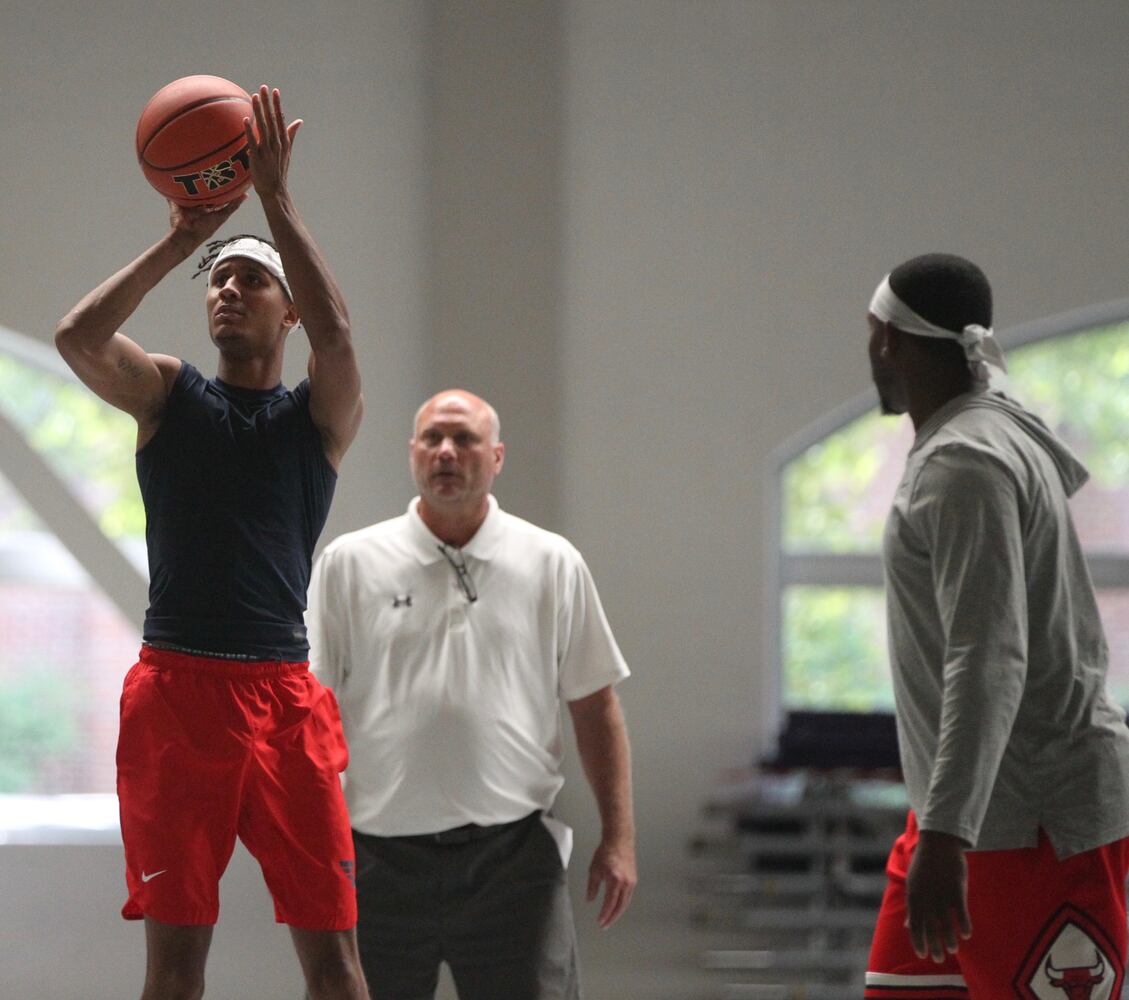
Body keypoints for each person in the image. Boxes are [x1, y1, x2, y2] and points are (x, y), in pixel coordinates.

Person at [55, 86, 368, 1000]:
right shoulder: (167, 393)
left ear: (287, 312)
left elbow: (341, 332)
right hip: (177, 694)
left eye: (251, 280)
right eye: (218, 283)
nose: (228, 291)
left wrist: (274, 198)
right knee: (176, 969)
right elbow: (77, 336)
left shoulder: (317, 420)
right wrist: (186, 238)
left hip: (283, 696)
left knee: (337, 964)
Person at [306, 389, 637, 1000]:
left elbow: (595, 704)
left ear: (498, 457)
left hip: (512, 863)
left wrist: (618, 840)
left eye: (465, 440)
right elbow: (312, 713)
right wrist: (310, 844)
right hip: (375, 861)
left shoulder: (551, 562)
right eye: (432, 439)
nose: (447, 453)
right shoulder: (350, 563)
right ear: (412, 454)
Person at [863, 253, 1129, 998]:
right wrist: (939, 826)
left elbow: (989, 655)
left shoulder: (964, 461)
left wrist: (947, 835)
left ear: (885, 337)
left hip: (1028, 825)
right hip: (960, 816)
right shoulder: (977, 436)